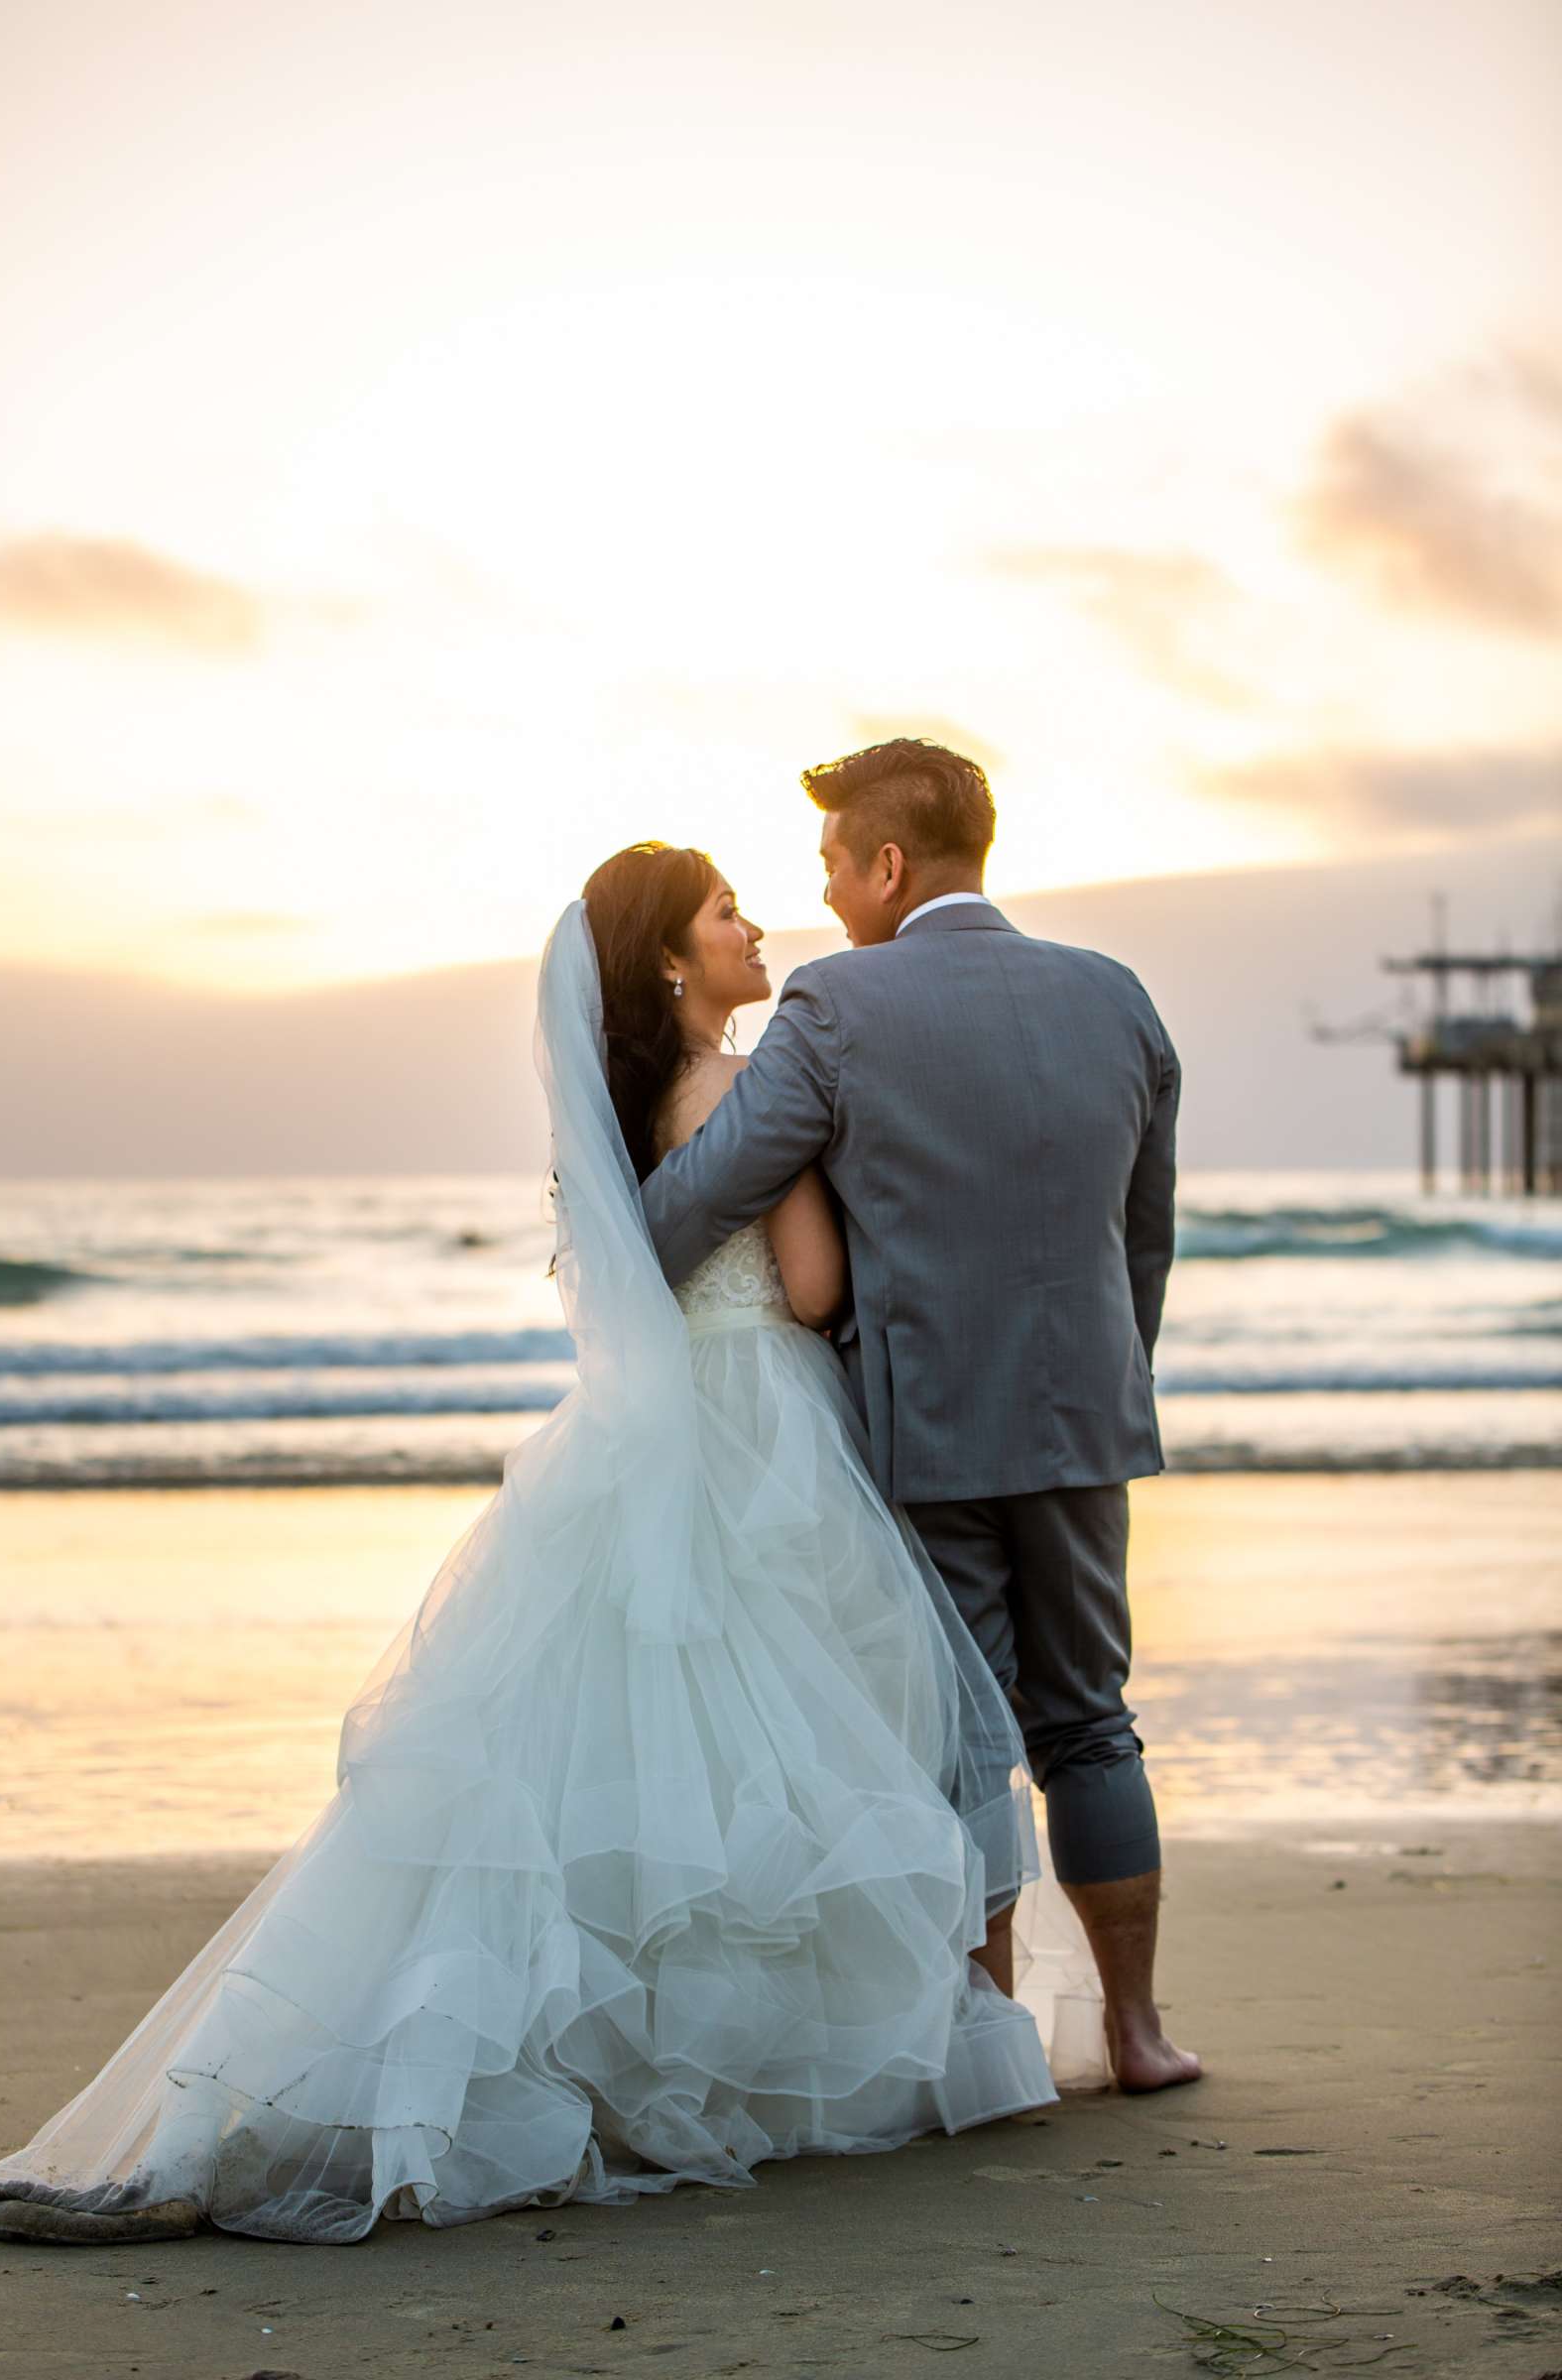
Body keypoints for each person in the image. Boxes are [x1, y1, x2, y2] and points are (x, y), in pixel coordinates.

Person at [0, 841, 1073, 2249]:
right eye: (727, 912)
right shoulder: (739, 1089)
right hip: (765, 1425)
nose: (756, 929)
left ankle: (268, 2110)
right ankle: (715, 2070)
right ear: (673, 961)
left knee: (621, 1754)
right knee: (768, 1762)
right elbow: (809, 1287)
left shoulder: (624, 1116)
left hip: (667, 1420)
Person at [640, 740, 1200, 2094]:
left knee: (964, 1732)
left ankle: (988, 2037)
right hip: (1081, 1420)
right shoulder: (1117, 998)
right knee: (1093, 1719)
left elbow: (715, 1190)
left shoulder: (836, 1006)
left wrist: (605, 1221)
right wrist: (1104, 1385)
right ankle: (1136, 2034)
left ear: (888, 865)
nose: (823, 901)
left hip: (924, 1426)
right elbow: (1145, 1243)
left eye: (833, 866)